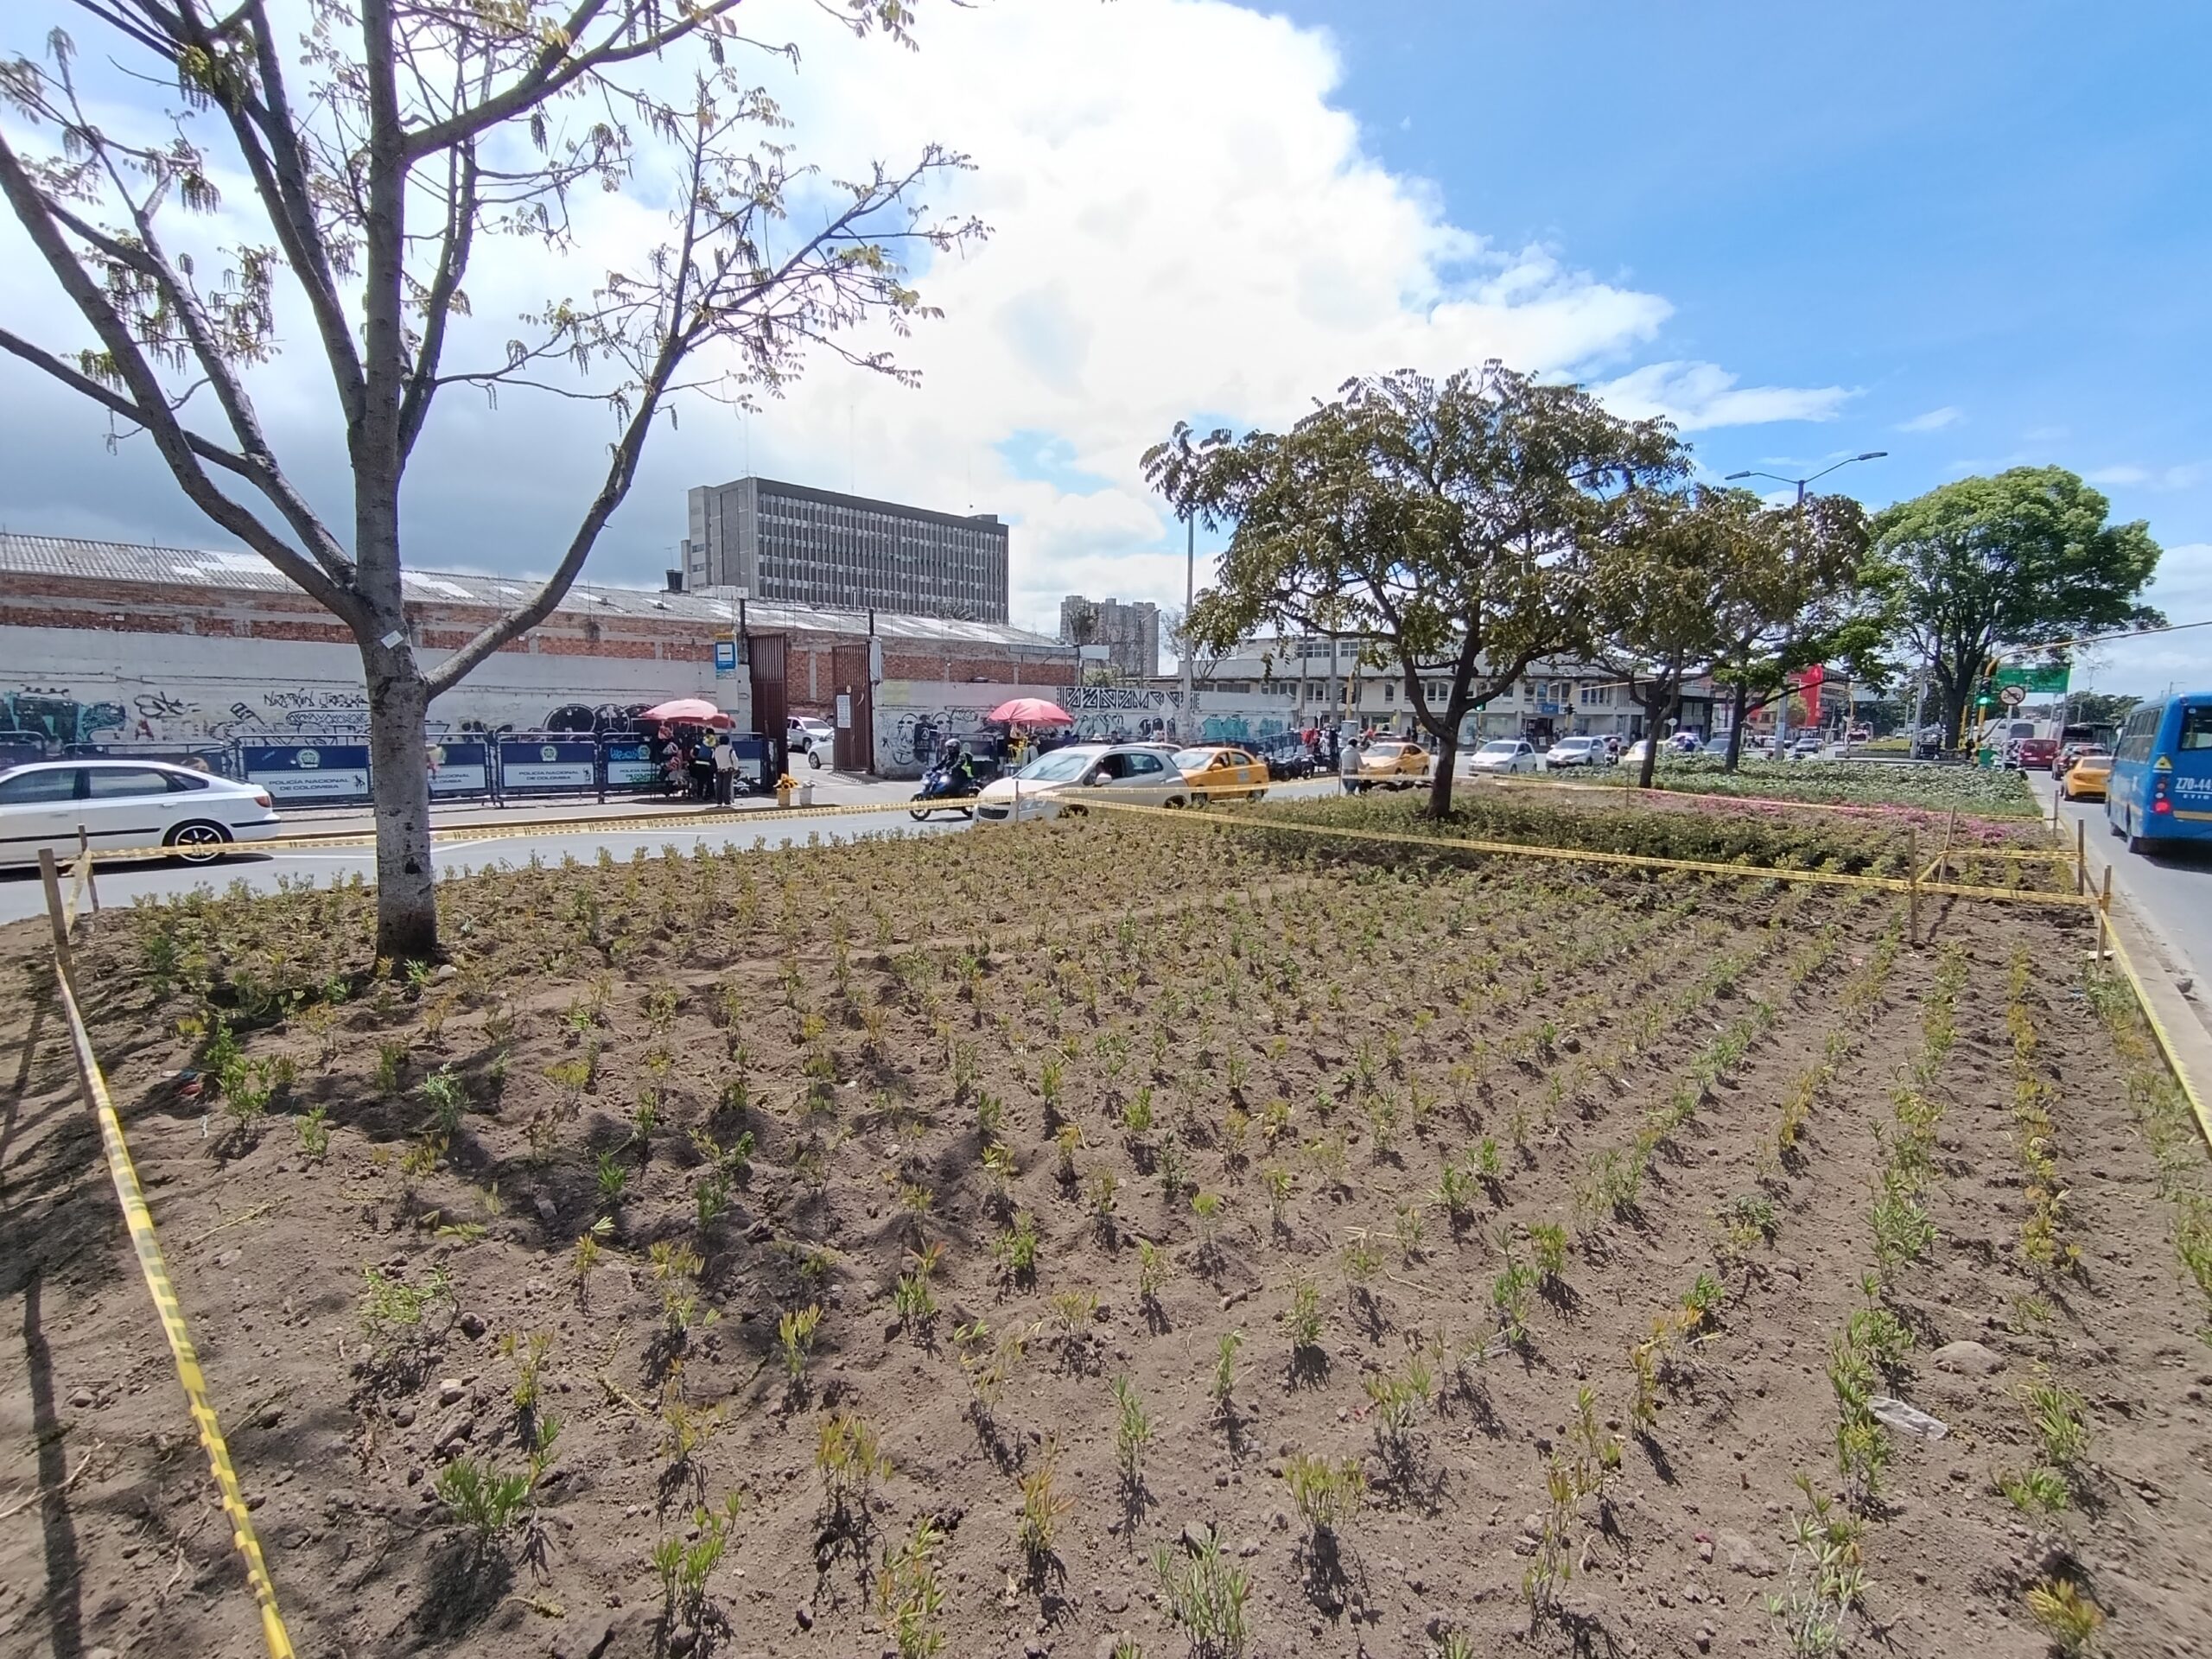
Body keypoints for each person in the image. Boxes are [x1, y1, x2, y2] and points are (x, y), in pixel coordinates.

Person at [712, 734, 736, 806]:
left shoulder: (716, 749)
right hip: (728, 769)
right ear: (728, 741)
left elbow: (713, 758)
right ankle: (727, 802)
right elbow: (735, 759)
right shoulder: (730, 749)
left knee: (719, 786)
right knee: (726, 786)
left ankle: (719, 802)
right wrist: (735, 768)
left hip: (719, 770)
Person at [1339, 729, 1363, 795]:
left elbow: (1340, 764)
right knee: (1350, 793)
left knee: (1349, 792)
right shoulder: (1355, 753)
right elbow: (1361, 766)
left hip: (1344, 774)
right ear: (1355, 745)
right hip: (1353, 775)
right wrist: (1367, 766)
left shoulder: (1343, 752)